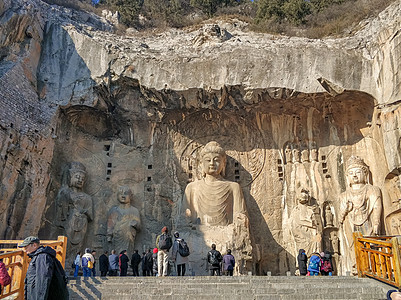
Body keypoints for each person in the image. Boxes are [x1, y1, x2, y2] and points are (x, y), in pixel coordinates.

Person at [339, 156, 382, 274]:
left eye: (358, 172)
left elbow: (376, 206)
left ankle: (372, 266)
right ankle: (356, 265)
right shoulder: (344, 195)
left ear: (365, 174)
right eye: (351, 173)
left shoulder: (372, 189)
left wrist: (376, 221)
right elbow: (340, 217)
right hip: (351, 222)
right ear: (347, 177)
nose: (355, 175)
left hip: (368, 221)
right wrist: (345, 210)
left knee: (370, 242)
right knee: (354, 244)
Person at [107, 186, 141, 255]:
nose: (123, 196)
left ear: (130, 196)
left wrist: (135, 224)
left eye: (126, 193)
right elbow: (110, 225)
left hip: (128, 238)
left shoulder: (134, 211)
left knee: (127, 255)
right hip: (117, 237)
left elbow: (139, 227)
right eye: (120, 194)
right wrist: (109, 235)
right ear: (117, 196)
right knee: (116, 254)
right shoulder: (114, 210)